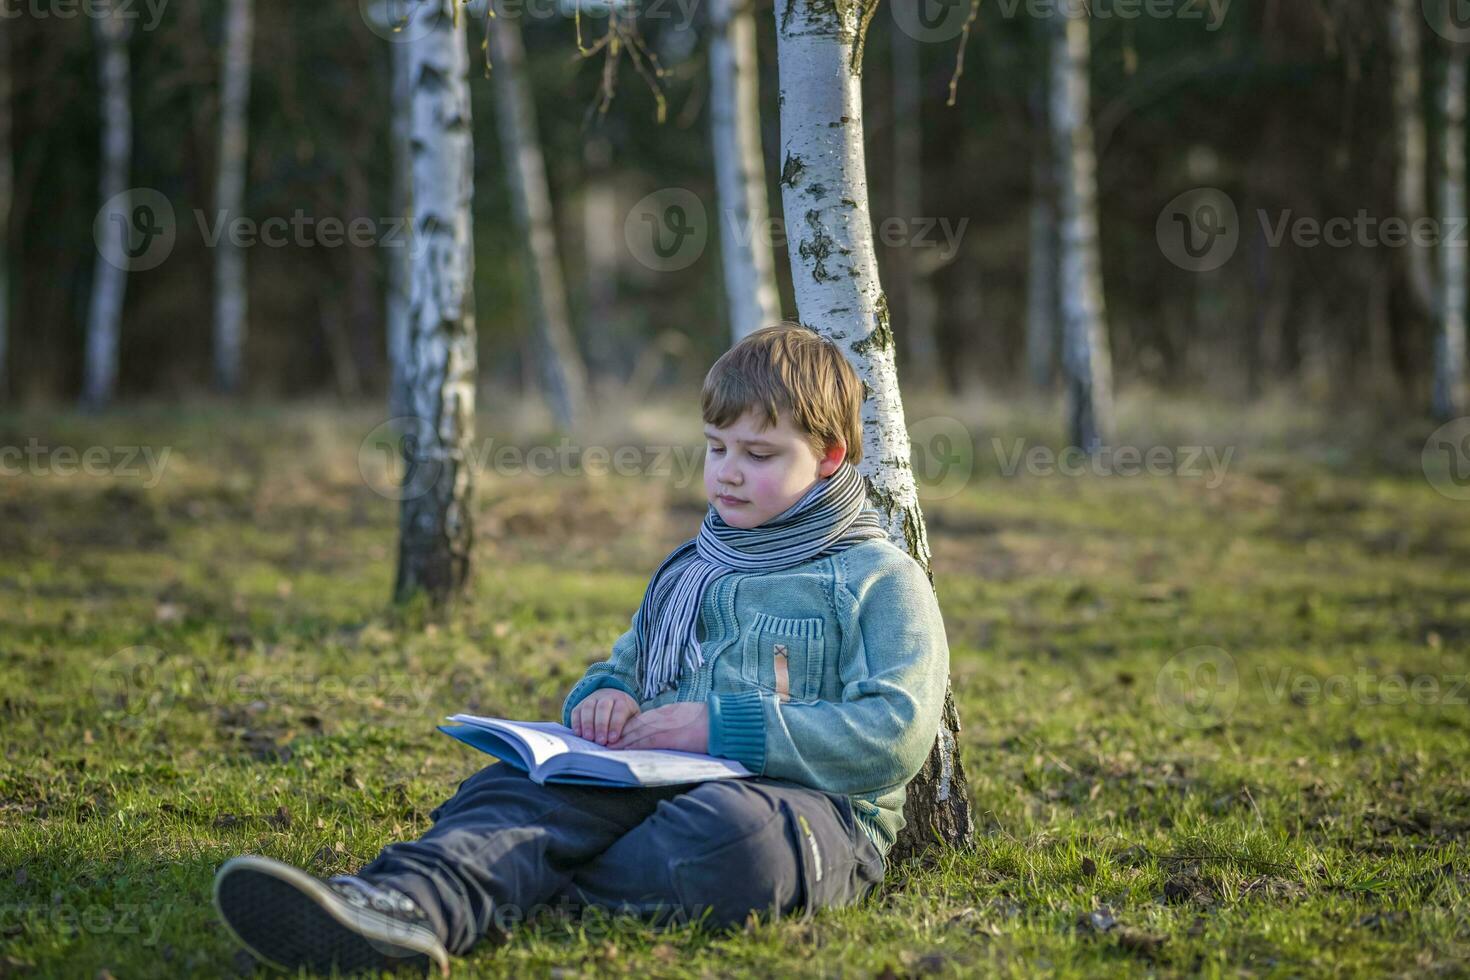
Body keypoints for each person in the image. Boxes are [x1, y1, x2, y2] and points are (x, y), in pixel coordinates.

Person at [213, 323, 952, 976]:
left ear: (829, 456)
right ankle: (397, 903)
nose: (726, 471)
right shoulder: (691, 567)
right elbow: (624, 665)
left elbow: (895, 734)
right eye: (716, 447)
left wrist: (721, 726)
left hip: (808, 810)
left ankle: (508, 889)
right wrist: (604, 697)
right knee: (515, 788)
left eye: (758, 453)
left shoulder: (877, 578)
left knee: (735, 845)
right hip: (652, 777)